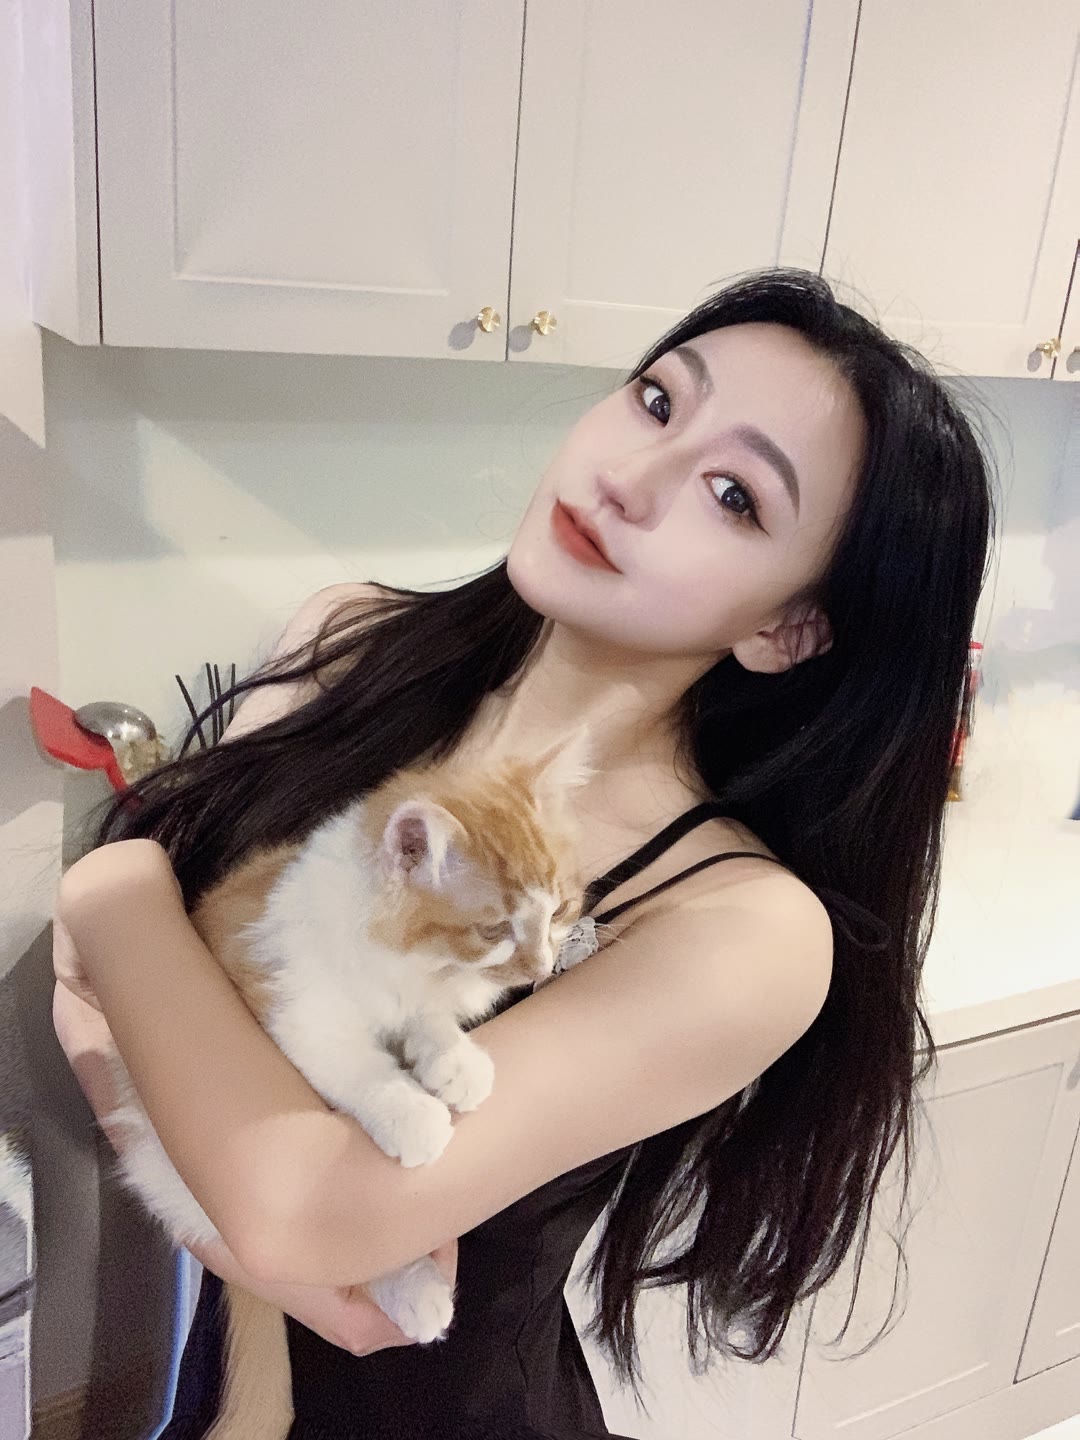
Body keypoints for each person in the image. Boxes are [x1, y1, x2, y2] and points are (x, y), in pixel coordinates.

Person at [51, 268, 994, 1440]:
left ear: (783, 627)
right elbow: (116, 1024)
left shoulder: (737, 924)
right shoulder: (348, 643)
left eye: (733, 495)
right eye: (658, 400)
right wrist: (240, 1236)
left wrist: (112, 887)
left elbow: (295, 1200)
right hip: (227, 1387)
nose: (631, 477)